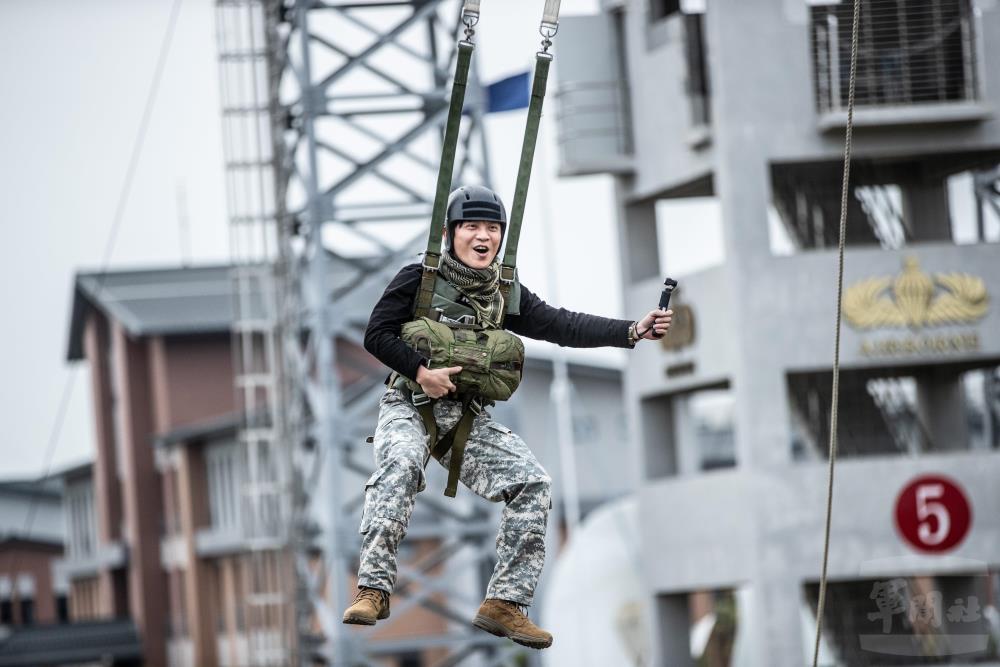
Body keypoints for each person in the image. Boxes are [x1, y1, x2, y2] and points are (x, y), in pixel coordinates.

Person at [342, 185, 672, 649]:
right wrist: (422, 371)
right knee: (399, 464)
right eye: (472, 227)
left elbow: (561, 325)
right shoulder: (418, 279)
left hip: (466, 418)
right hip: (411, 405)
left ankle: (505, 604)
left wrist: (631, 331)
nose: (483, 237)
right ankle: (373, 588)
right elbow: (376, 334)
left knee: (532, 482)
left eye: (492, 228)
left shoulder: (502, 292)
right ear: (449, 233)